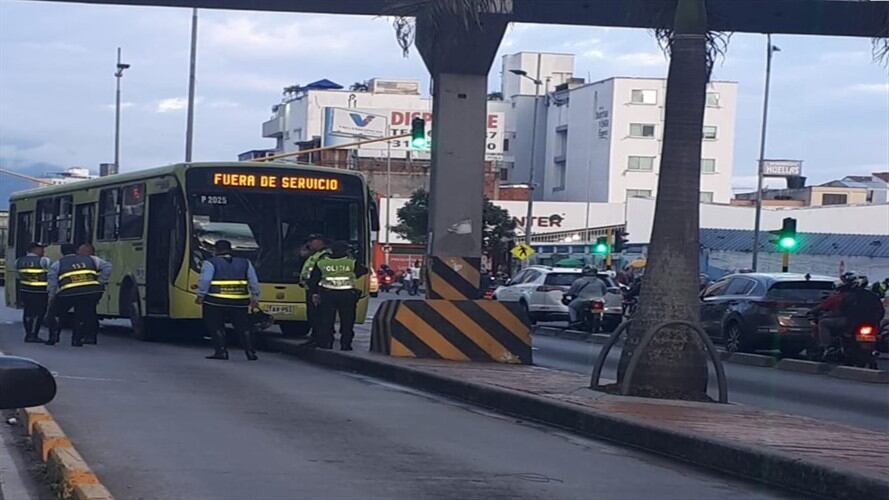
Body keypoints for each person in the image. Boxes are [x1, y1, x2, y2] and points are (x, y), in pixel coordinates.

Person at [196, 240, 261, 360]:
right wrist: (255, 297)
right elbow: (253, 281)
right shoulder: (245, 263)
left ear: (215, 250)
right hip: (240, 301)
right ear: (230, 249)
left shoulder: (210, 263)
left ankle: (221, 352)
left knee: (216, 325)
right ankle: (250, 352)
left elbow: (205, 280)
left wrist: (201, 295)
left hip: (215, 300)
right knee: (243, 327)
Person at [46, 243, 112, 347]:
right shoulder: (92, 259)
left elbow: (52, 283)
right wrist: (100, 282)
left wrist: (51, 296)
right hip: (90, 292)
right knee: (82, 315)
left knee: (55, 313)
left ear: (62, 252)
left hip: (68, 293)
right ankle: (77, 340)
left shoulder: (57, 264)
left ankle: (53, 335)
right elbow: (108, 267)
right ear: (76, 250)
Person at [308, 240, 368, 350]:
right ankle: (346, 345)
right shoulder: (351, 262)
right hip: (346, 295)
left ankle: (327, 343)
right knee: (347, 321)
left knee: (327, 320)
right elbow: (364, 270)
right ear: (346, 250)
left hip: (327, 294)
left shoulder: (322, 262)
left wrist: (315, 293)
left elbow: (314, 279)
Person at [16, 242, 51, 343]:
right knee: (39, 313)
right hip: (40, 292)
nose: (43, 251)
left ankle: (28, 334)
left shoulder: (19, 261)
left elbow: (18, 276)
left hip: (25, 291)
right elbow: (50, 274)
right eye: (41, 249)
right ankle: (34, 335)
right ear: (34, 249)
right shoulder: (44, 260)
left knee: (27, 312)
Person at [298, 235, 329, 338]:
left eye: (312, 242)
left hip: (318, 288)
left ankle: (318, 336)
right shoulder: (314, 254)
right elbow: (301, 255)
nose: (310, 244)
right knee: (312, 313)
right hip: (310, 287)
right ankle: (316, 335)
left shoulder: (324, 255)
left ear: (320, 242)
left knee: (316, 314)